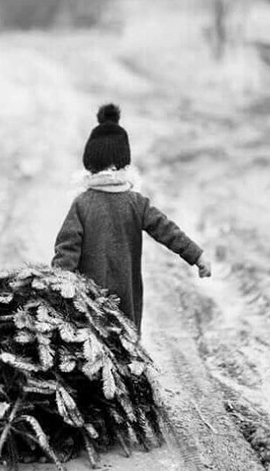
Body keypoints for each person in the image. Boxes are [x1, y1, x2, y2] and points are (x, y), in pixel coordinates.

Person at [52, 104, 211, 334]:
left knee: (91, 347)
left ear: (90, 166)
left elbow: (67, 249)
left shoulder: (82, 204)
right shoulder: (136, 203)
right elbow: (167, 231)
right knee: (126, 347)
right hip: (127, 298)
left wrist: (57, 286)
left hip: (88, 300)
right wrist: (197, 256)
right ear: (124, 164)